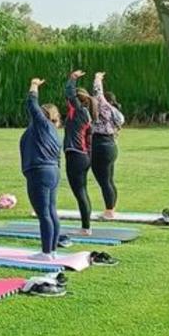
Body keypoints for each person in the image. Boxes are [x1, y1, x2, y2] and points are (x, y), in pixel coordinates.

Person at [20, 78, 63, 261]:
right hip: (52, 172)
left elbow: (31, 103)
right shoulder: (54, 131)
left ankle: (46, 252)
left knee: (44, 213)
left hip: (40, 172)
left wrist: (34, 85)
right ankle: (51, 251)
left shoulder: (42, 125)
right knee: (51, 211)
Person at [64, 71, 97, 235]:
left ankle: (86, 228)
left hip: (76, 156)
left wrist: (73, 78)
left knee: (80, 192)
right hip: (83, 156)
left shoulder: (78, 111)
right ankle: (86, 226)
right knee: (82, 191)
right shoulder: (87, 114)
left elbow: (69, 92)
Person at [91, 72, 124, 219]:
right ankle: (111, 209)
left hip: (100, 145)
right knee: (109, 180)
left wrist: (97, 79)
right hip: (111, 145)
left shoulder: (104, 108)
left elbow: (98, 93)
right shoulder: (116, 113)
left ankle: (109, 212)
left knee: (104, 180)